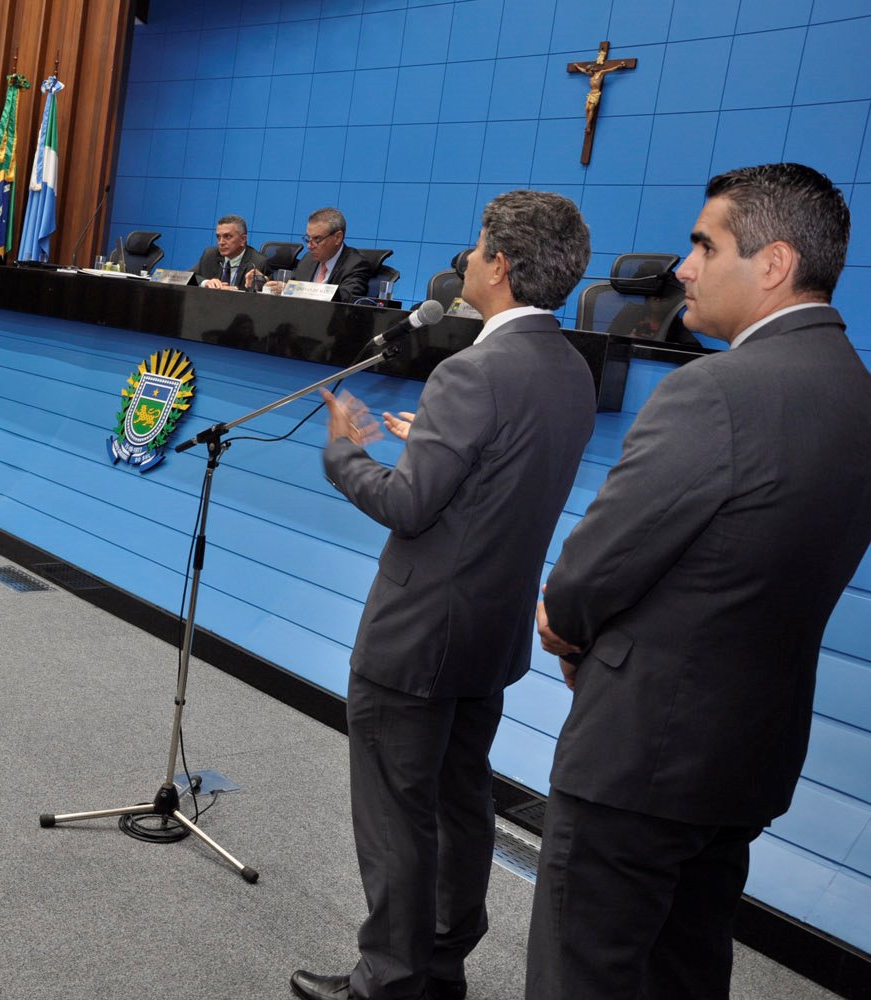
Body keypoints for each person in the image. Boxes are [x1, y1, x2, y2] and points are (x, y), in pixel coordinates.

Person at [526, 163, 871, 1000]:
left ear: (774, 262)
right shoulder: (857, 395)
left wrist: (565, 629)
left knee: (586, 975)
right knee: (684, 970)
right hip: (747, 754)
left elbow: (588, 576)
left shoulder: (713, 391)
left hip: (639, 757)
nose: (683, 268)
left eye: (704, 246)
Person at [293, 190, 597, 1000]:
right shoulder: (568, 366)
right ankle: (439, 963)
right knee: (461, 802)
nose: (465, 259)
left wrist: (343, 454)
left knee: (397, 812)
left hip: (418, 632)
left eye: (476, 246)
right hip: (488, 633)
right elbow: (498, 477)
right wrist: (428, 438)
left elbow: (407, 506)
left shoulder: (472, 370)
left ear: (501, 264)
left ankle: (390, 979)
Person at [253, 207, 371, 301]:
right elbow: (290, 284)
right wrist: (265, 282)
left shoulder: (356, 264)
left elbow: (346, 298)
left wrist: (294, 290)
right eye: (308, 238)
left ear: (337, 237)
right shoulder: (308, 259)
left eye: (317, 239)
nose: (309, 246)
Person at [193, 215, 268, 290]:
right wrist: (205, 282)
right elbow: (188, 276)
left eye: (227, 236)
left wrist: (236, 291)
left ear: (243, 239)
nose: (221, 242)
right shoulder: (210, 255)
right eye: (218, 237)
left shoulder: (258, 263)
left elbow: (265, 291)